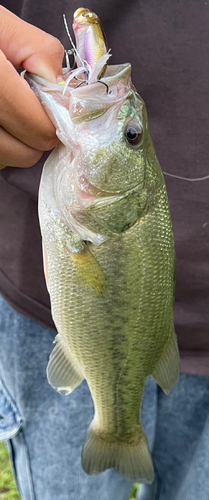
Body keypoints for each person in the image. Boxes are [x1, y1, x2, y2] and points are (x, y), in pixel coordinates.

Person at [0, 2, 209, 500]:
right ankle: (116, 425)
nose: (127, 126)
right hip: (35, 305)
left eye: (130, 136)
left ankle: (117, 427)